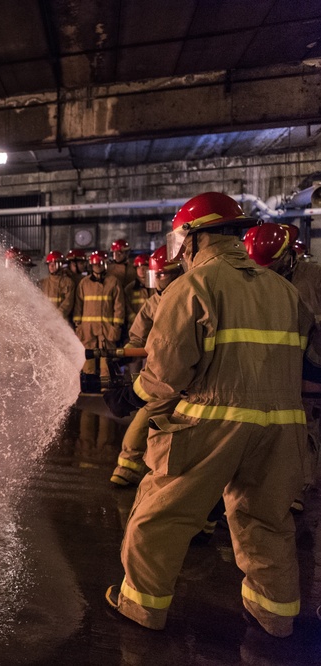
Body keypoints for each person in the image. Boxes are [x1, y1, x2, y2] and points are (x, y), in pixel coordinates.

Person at [105, 192, 314, 638]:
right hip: (282, 427)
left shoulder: (192, 287)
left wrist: (135, 394)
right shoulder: (284, 290)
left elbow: (166, 372)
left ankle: (141, 607)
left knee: (160, 516)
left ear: (194, 238)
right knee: (266, 522)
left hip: (211, 423)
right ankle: (274, 617)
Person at [244, 222, 321, 512]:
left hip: (306, 366)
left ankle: (298, 490)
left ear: (289, 254)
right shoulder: (256, 278)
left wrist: (313, 364)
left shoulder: (313, 277)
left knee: (303, 426)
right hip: (269, 367)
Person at [109, 246, 182, 487]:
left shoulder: (188, 296)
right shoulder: (154, 302)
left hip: (182, 376)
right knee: (145, 422)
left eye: (161, 274)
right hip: (162, 375)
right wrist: (125, 354)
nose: (157, 280)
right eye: (155, 275)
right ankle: (128, 468)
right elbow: (138, 335)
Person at [74, 250, 125, 377]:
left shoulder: (113, 281)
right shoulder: (84, 283)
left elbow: (119, 305)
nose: (98, 266)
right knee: (88, 359)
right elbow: (78, 305)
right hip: (87, 328)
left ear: (105, 264)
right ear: (91, 265)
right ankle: (88, 388)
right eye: (95, 264)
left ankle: (106, 388)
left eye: (100, 264)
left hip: (106, 328)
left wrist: (116, 326)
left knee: (106, 359)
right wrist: (78, 324)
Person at [38, 250, 75, 324]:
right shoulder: (42, 283)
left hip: (61, 322)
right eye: (49, 264)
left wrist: (57, 316)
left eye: (54, 263)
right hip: (45, 321)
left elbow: (68, 303)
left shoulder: (68, 282)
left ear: (61, 264)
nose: (51, 266)